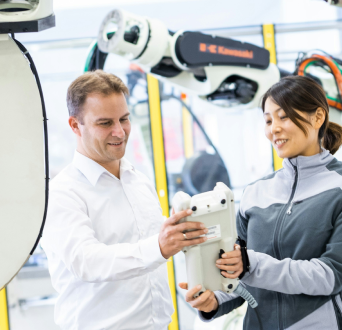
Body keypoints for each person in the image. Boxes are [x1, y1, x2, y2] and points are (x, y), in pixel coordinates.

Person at [179, 76, 342, 329]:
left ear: (318, 117)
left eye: (284, 117)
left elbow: (331, 275)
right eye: (269, 120)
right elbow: (241, 274)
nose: (274, 129)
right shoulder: (255, 193)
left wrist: (251, 264)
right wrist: (215, 300)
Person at [44, 70, 218, 329]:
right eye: (105, 123)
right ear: (75, 126)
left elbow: (150, 241)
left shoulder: (137, 180)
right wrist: (160, 245)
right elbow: (87, 261)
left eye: (124, 119)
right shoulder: (63, 193)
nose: (119, 132)